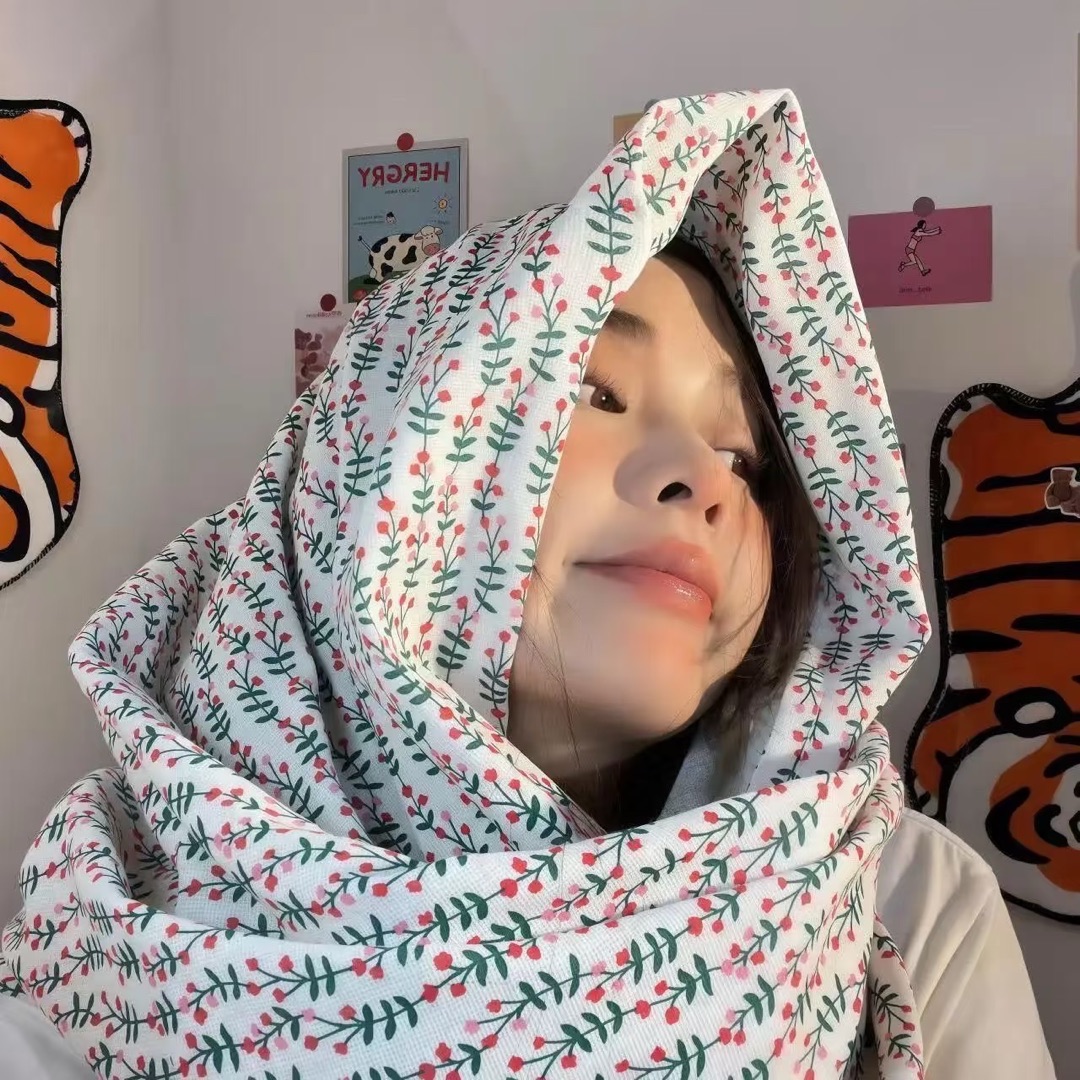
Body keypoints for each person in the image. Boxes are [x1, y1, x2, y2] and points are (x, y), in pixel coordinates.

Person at [0, 90, 1055, 1078]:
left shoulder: (906, 903)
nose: (704, 481)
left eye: (746, 458)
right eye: (597, 391)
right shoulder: (97, 960)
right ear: (381, 455)